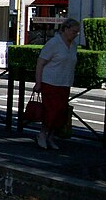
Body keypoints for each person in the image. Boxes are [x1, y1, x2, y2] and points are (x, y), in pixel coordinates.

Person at [32, 17, 80, 150]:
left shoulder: (73, 46)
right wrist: (38, 82)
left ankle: (50, 136)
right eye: (74, 31)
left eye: (77, 32)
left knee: (60, 113)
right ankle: (42, 134)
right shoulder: (54, 43)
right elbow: (40, 63)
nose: (75, 34)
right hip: (50, 82)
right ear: (65, 29)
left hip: (65, 82)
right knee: (51, 111)